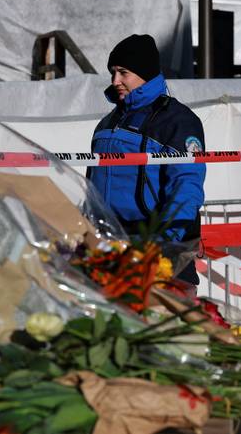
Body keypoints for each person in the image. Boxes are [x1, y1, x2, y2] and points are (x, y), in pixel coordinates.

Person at [87, 34, 206, 293]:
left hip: (161, 254)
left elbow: (187, 186)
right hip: (112, 250)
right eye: (112, 73)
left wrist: (165, 245)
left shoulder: (177, 121)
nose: (115, 81)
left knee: (168, 329)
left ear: (145, 73)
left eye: (123, 73)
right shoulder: (107, 123)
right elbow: (92, 187)